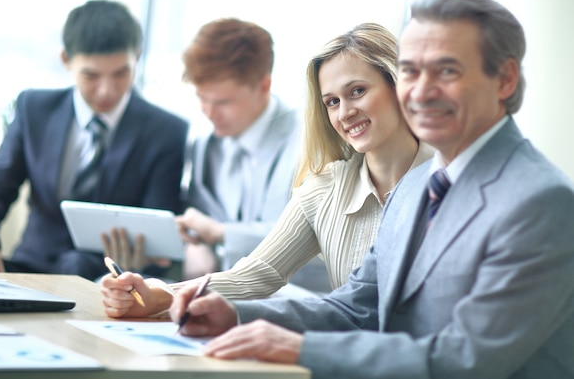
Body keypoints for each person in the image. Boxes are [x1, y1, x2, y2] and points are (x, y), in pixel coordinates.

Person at [169, 0, 574, 379]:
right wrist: (237, 314)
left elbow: (467, 359)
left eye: (446, 70)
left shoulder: (541, 201)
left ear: (504, 80)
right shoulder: (418, 185)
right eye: (411, 71)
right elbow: (356, 308)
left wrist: (300, 348)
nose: (420, 90)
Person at [100, 23, 433, 317]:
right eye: (332, 102)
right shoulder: (323, 190)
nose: (344, 112)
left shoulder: (452, 181)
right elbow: (256, 274)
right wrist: (159, 295)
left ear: (399, 84)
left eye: (357, 91)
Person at [0, 0, 189, 280]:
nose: (105, 90)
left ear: (137, 56)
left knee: (77, 266)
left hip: (103, 277)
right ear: (66, 60)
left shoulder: (167, 131)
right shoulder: (35, 109)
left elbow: (159, 226)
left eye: (121, 73)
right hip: (32, 268)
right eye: (91, 75)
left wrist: (141, 258)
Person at [105, 17, 331, 292]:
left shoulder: (314, 141)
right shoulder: (204, 147)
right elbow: (198, 226)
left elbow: (320, 244)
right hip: (215, 304)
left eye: (223, 102)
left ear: (264, 85)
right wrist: (194, 245)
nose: (209, 113)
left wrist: (222, 236)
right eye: (202, 98)